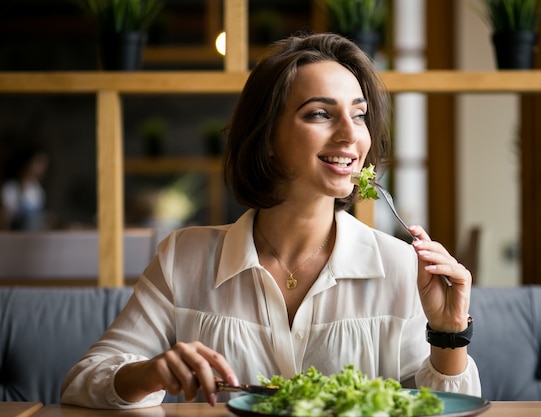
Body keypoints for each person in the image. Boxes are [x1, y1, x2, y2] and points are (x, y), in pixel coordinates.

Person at [61, 32, 481, 409]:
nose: (351, 135)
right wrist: (150, 372)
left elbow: (445, 407)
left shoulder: (401, 265)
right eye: (319, 114)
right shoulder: (183, 257)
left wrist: (448, 333)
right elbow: (82, 381)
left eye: (359, 115)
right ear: (268, 138)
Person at [0, 144, 49, 231]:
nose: (42, 167)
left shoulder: (38, 190)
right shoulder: (11, 188)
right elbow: (5, 219)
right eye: (38, 162)